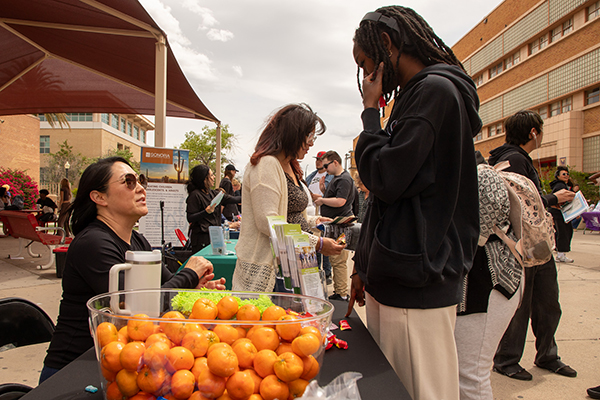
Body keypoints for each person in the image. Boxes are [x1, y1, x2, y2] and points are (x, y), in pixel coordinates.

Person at [349, 6, 482, 399]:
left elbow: (386, 179)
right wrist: (363, 264)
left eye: (365, 62)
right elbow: (387, 198)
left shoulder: (433, 92)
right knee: (395, 389)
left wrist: (370, 114)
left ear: (386, 44)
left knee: (421, 390)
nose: (365, 75)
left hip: (415, 280)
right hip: (399, 273)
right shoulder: (417, 95)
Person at [40, 157, 225, 383]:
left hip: (120, 364)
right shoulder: (93, 243)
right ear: (99, 197)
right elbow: (139, 309)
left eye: (140, 181)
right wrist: (189, 274)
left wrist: (195, 286)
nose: (140, 188)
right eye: (128, 182)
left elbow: (167, 289)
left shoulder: (137, 240)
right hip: (73, 370)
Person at [490, 110, 577, 381]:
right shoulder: (513, 159)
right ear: (533, 133)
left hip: (538, 245)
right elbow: (518, 199)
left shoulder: (512, 157)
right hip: (523, 245)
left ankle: (547, 355)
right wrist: (553, 197)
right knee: (521, 305)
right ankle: (506, 360)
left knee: (548, 302)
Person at [232, 103, 344, 292]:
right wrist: (316, 243)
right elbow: (269, 222)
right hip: (275, 269)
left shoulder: (290, 166)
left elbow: (288, 214)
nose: (311, 143)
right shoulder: (266, 164)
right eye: (309, 136)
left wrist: (313, 221)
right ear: (293, 134)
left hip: (297, 261)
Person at [454, 151, 524, 400]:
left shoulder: (482, 176)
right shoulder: (474, 174)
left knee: (471, 375)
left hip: (489, 283)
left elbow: (477, 234)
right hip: (484, 282)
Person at [314, 150, 358, 301]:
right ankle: (340, 292)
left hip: (340, 225)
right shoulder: (338, 178)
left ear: (335, 162)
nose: (324, 168)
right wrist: (324, 191)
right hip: (335, 224)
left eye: (326, 165)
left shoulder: (344, 179)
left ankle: (341, 293)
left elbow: (340, 201)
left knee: (338, 261)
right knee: (335, 260)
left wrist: (322, 200)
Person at [186, 165, 241, 253]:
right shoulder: (195, 195)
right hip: (201, 240)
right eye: (211, 175)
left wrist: (250, 196)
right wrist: (206, 212)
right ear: (204, 179)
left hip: (215, 238)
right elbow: (190, 217)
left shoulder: (213, 194)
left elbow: (233, 199)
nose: (214, 177)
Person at [305, 151, 333, 284]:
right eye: (317, 159)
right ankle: (316, 273)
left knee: (324, 242)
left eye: (321, 159)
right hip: (312, 212)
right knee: (315, 244)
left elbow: (333, 195)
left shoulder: (330, 176)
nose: (318, 161)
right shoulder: (311, 176)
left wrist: (321, 197)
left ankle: (327, 273)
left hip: (324, 211)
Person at [549, 166, 576, 263]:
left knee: (562, 232)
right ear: (558, 176)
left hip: (559, 212)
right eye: (563, 174)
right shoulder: (560, 186)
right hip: (559, 213)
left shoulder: (561, 185)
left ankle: (560, 253)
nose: (566, 176)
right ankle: (561, 254)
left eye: (567, 174)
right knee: (564, 232)